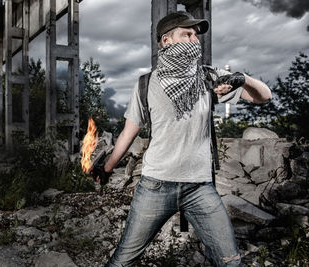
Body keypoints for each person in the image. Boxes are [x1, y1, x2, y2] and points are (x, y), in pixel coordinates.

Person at [93, 11, 272, 267]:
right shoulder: (146, 84)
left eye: (196, 35)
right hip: (155, 186)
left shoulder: (210, 78)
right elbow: (127, 134)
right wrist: (107, 168)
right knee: (123, 261)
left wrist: (242, 78)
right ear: (166, 41)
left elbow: (264, 97)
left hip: (200, 188)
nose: (195, 40)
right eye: (187, 34)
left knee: (230, 262)